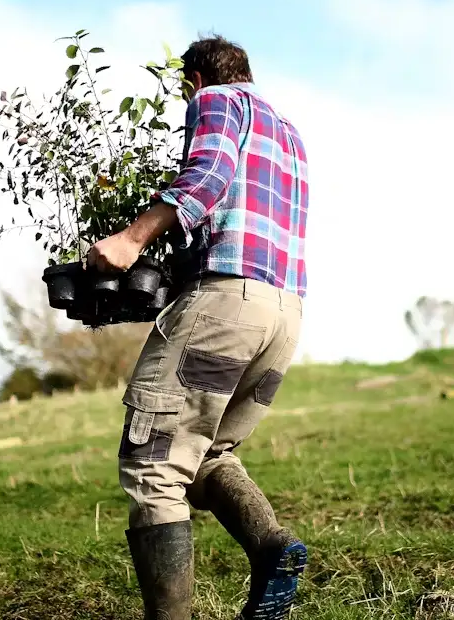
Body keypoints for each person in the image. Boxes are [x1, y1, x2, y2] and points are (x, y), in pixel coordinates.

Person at [87, 34, 309, 620]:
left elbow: (206, 178)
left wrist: (130, 240)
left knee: (156, 465)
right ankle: (272, 547)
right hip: (282, 314)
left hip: (228, 304)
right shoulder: (288, 135)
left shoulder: (217, 103)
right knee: (207, 452)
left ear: (194, 81)